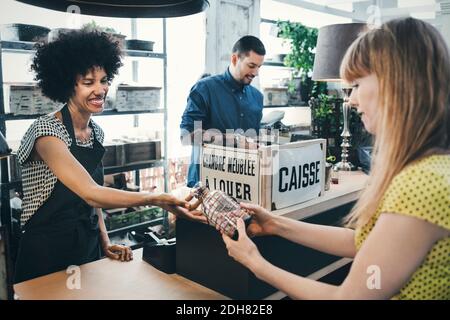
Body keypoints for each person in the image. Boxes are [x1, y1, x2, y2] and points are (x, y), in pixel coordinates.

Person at [220, 17, 450, 299]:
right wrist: (276, 224)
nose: (351, 100)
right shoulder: (429, 168)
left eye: (356, 85)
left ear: (395, 84)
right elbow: (363, 243)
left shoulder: (420, 185)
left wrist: (255, 263)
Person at [14, 29, 205, 284]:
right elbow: (90, 191)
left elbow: (94, 201)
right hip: (47, 252)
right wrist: (156, 198)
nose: (100, 89)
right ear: (67, 84)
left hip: (87, 245)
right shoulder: (46, 132)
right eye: (88, 82)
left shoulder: (95, 132)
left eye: (104, 80)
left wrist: (105, 242)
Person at [180, 35, 266, 187]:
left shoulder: (257, 97)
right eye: (251, 65)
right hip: (205, 185)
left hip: (243, 185)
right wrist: (234, 140)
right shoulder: (204, 89)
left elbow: (254, 140)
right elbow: (186, 136)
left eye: (259, 67)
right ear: (234, 59)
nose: (256, 72)